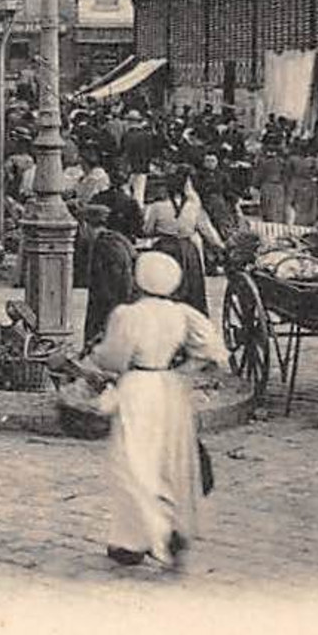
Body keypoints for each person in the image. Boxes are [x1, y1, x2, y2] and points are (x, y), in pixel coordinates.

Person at [88, 251, 227, 566]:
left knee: (131, 462)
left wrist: (97, 356)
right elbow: (212, 350)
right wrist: (185, 370)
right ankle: (139, 535)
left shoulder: (130, 315)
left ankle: (151, 533)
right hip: (168, 387)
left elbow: (113, 359)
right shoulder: (181, 314)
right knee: (164, 460)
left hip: (138, 387)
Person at [141, 168, 224, 316]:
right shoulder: (194, 206)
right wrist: (220, 246)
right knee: (193, 290)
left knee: (162, 288)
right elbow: (207, 230)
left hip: (165, 249)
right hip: (188, 250)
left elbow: (147, 230)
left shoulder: (157, 207)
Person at [83, 202, 137, 346]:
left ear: (87, 225)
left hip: (110, 303)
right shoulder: (118, 239)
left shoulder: (103, 245)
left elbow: (103, 286)